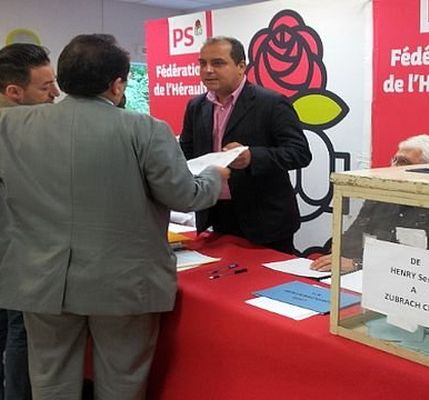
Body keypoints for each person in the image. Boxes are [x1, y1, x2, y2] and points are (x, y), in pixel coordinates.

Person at [0, 34, 227, 399]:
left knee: (50, 381)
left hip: (42, 281)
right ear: (118, 84)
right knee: (122, 382)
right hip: (123, 285)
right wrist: (215, 176)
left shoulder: (10, 127)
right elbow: (184, 195)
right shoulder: (146, 128)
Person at [179, 36, 312, 254]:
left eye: (218, 63)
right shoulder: (196, 106)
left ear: (241, 67)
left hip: (265, 220)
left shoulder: (271, 102)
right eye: (202, 63)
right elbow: (186, 152)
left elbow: (299, 153)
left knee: (265, 285)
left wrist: (253, 157)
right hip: (214, 214)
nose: (208, 70)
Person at [310, 134, 429, 272]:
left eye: (402, 162)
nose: (393, 167)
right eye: (394, 160)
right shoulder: (382, 195)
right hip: (364, 277)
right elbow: (352, 239)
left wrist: (358, 264)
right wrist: (338, 255)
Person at [0, 42, 60, 400]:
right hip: (23, 258)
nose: (55, 94)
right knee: (22, 334)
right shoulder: (29, 131)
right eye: (46, 86)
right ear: (14, 92)